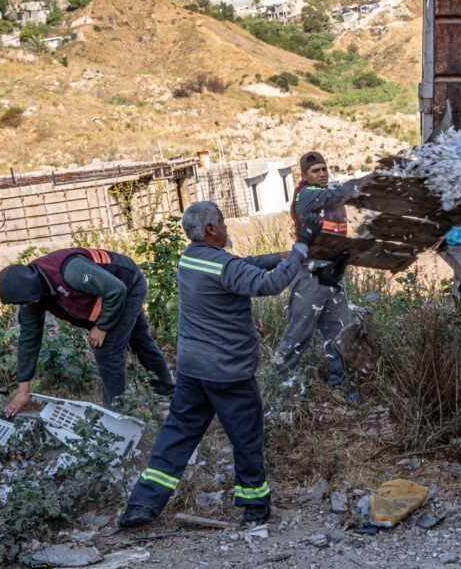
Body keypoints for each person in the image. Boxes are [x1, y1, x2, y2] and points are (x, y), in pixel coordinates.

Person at [117, 201, 321, 529]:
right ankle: (255, 506)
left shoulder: (192, 259)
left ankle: (142, 503)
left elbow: (236, 267)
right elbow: (266, 285)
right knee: (246, 437)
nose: (226, 227)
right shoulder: (221, 266)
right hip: (228, 371)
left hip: (192, 368)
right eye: (223, 222)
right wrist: (298, 251)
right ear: (211, 229)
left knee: (178, 433)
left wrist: (277, 258)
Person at [0, 246, 175, 415]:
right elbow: (29, 340)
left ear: (34, 287)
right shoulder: (30, 297)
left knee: (108, 352)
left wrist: (102, 326)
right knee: (140, 341)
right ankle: (167, 391)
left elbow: (116, 290)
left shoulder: (70, 271)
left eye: (27, 302)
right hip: (108, 298)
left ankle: (116, 414)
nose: (26, 306)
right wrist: (23, 391)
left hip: (127, 285)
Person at [273, 151, 366, 402]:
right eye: (316, 171)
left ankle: (341, 387)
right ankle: (277, 387)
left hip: (333, 273)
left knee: (340, 331)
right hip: (311, 274)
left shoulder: (330, 194)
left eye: (325, 169)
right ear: (304, 176)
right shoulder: (306, 195)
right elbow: (336, 193)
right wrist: (372, 178)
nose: (322, 174)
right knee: (298, 333)